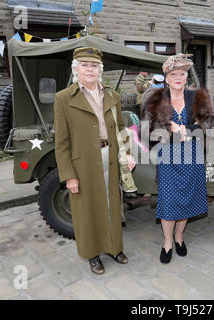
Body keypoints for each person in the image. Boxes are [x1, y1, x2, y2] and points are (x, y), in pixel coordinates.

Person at [54, 47, 135, 275]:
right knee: (87, 210)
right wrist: (69, 175)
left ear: (100, 70)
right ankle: (92, 254)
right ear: (76, 69)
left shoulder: (112, 95)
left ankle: (114, 248)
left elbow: (121, 128)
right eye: (84, 65)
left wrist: (126, 152)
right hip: (83, 163)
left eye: (94, 66)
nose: (89, 69)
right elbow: (61, 141)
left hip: (110, 157)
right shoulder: (63, 99)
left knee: (111, 205)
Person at [144, 54, 214, 264]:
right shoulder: (155, 99)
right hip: (168, 158)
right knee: (169, 201)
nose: (179, 77)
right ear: (166, 77)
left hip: (192, 157)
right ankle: (167, 241)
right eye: (174, 73)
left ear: (187, 77)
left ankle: (179, 237)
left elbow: (211, 124)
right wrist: (169, 127)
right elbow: (147, 130)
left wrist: (189, 128)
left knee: (186, 198)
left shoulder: (198, 98)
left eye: (183, 73)